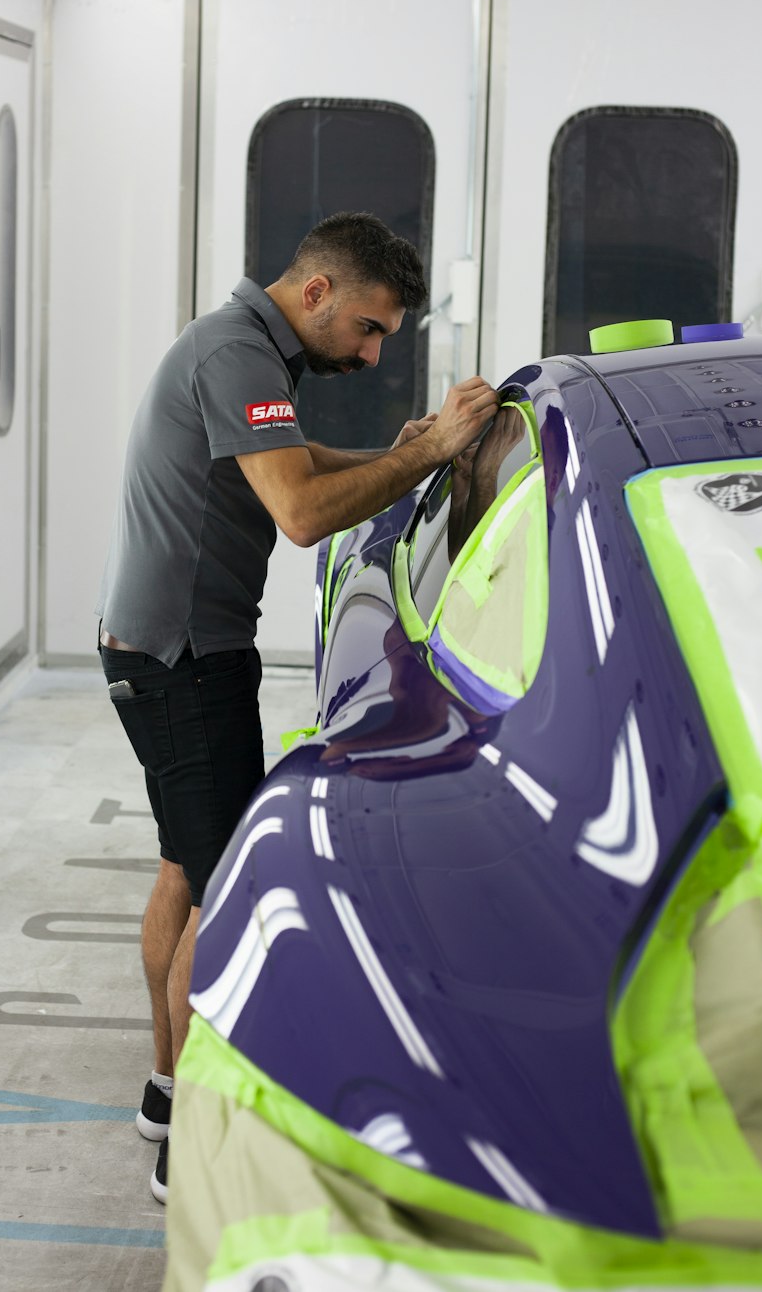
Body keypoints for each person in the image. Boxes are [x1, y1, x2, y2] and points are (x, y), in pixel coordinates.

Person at [95, 211, 499, 1203]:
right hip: (186, 663)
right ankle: (187, 1147)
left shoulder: (245, 351)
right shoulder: (239, 355)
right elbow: (303, 515)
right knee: (224, 899)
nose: (370, 352)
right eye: (366, 329)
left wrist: (395, 448)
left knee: (184, 874)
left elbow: (297, 457)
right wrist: (426, 456)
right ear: (314, 293)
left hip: (153, 648)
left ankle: (162, 1088)